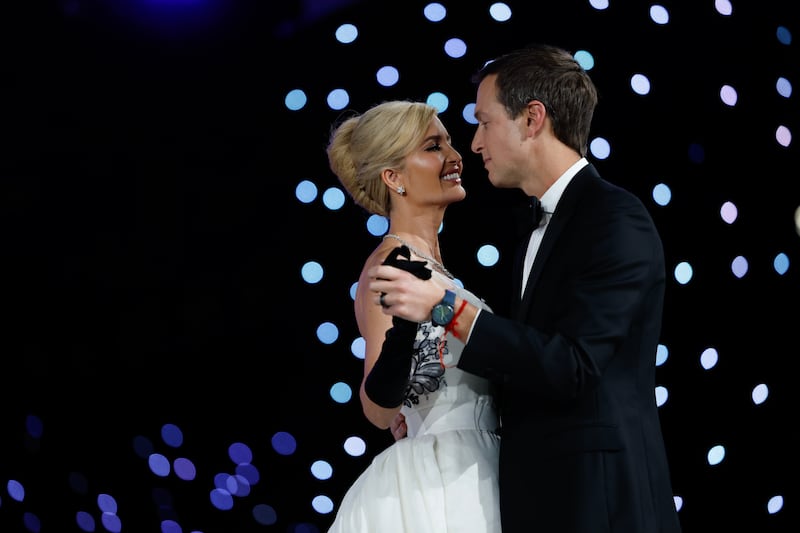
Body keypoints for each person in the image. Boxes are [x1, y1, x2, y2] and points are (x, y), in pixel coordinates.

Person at [369, 44, 682, 532]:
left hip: (599, 502)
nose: (473, 145)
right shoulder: (532, 233)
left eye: (485, 121)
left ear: (532, 118)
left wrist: (448, 312)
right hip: (518, 494)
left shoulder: (613, 218)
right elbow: (525, 362)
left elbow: (574, 366)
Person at [325, 100, 502, 532]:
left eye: (449, 143)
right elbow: (378, 409)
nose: (455, 156)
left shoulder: (435, 268)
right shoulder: (391, 265)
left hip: (479, 462)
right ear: (394, 178)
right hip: (441, 482)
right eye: (433, 146)